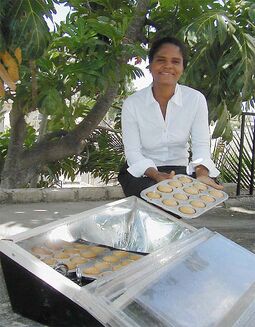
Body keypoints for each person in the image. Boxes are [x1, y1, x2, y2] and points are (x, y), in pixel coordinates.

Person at [118, 36, 223, 197]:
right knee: (156, 197)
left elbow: (201, 146)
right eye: (161, 60)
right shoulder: (132, 104)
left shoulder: (195, 100)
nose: (168, 66)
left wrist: (202, 174)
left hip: (180, 170)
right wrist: (157, 175)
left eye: (175, 61)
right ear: (150, 65)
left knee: (193, 192)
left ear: (182, 67)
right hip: (145, 172)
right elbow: (133, 153)